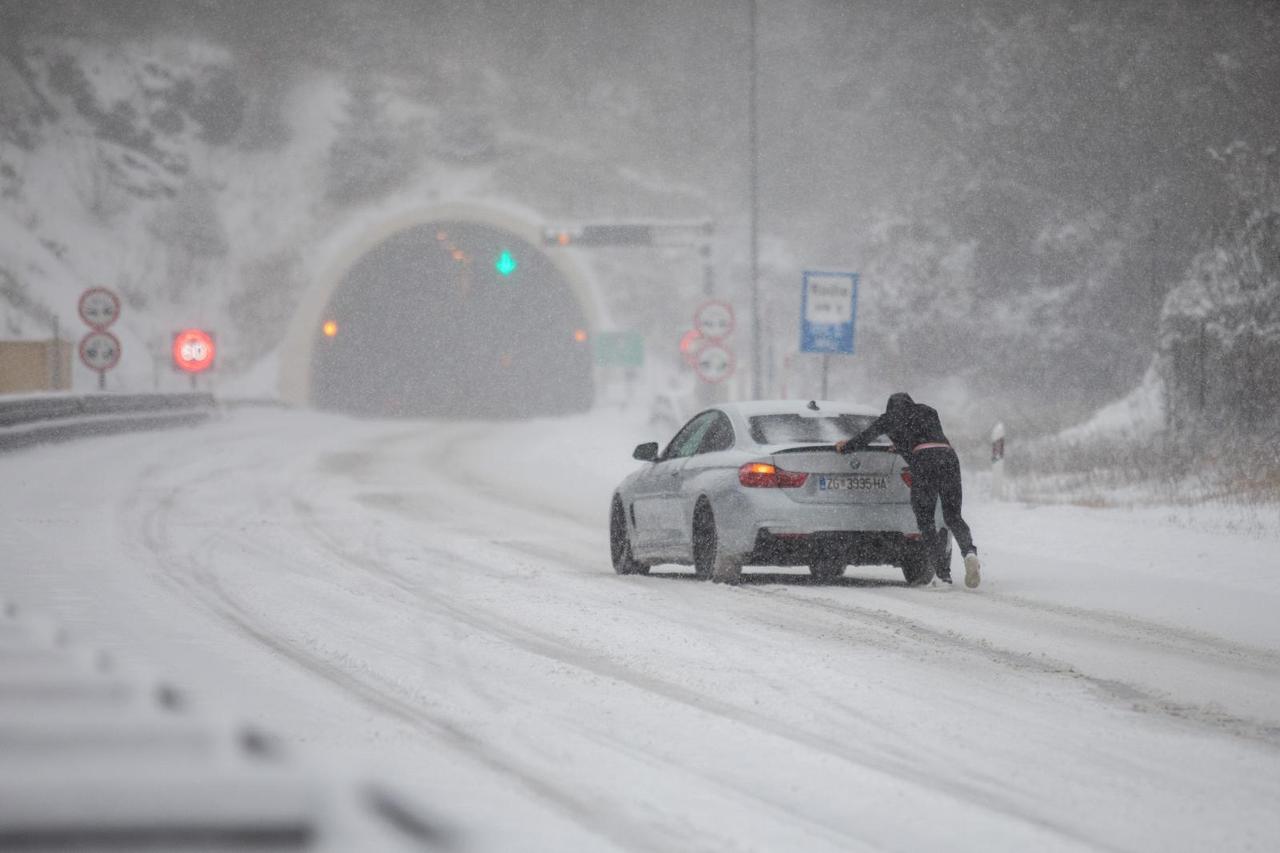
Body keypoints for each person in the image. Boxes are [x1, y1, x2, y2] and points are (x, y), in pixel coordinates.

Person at [834, 393, 981, 587]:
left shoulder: (888, 418)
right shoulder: (929, 412)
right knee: (953, 516)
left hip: (924, 462)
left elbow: (865, 438)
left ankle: (943, 576)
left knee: (926, 521)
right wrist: (902, 446)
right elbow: (923, 437)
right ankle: (969, 553)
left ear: (890, 407)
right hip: (948, 458)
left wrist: (845, 447)